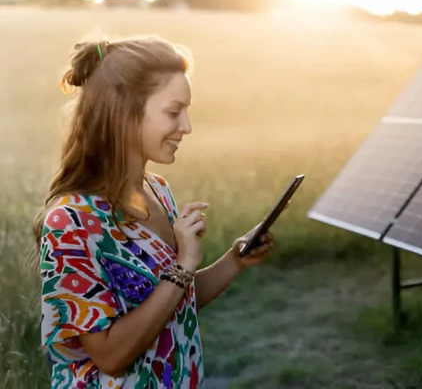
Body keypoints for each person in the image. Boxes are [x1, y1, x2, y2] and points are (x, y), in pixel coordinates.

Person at [33, 36, 276, 388]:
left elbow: (173, 302)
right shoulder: (71, 221)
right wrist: (182, 265)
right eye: (173, 112)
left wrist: (235, 259)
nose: (187, 126)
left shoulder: (157, 190)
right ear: (123, 111)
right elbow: (111, 357)